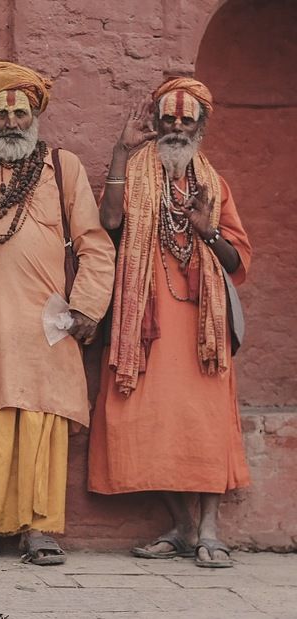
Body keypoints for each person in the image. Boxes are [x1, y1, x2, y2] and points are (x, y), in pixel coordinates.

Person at [0, 61, 115, 565]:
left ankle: (41, 530)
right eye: (2, 112)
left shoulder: (62, 167)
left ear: (35, 115)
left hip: (44, 322)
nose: (11, 121)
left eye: (21, 112)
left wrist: (87, 307)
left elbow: (95, 245)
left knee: (40, 423)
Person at [88, 78, 252, 568]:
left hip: (202, 325)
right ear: (156, 123)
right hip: (144, 321)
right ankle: (182, 527)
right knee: (142, 418)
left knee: (205, 422)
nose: (177, 128)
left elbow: (239, 260)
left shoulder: (213, 183)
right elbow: (111, 222)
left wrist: (209, 232)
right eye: (169, 120)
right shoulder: (135, 169)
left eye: (187, 121)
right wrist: (120, 152)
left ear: (200, 127)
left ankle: (209, 530)